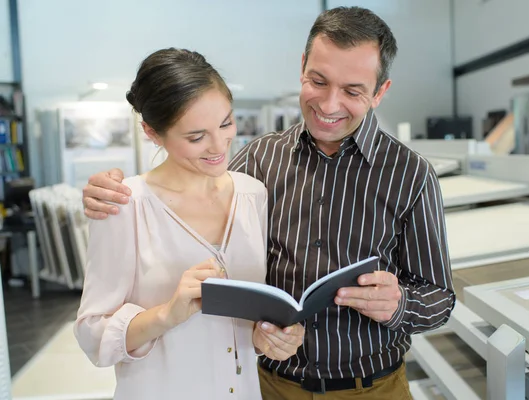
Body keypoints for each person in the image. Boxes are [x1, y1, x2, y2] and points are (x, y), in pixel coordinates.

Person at [82, 7, 455, 399]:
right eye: (318, 81)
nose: (329, 105)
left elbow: (440, 298)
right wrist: (106, 191)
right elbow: (191, 175)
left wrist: (399, 304)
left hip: (373, 387)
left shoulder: (410, 174)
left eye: (352, 91)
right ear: (302, 67)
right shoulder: (257, 163)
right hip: (270, 385)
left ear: (380, 92)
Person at [74, 48, 304, 400]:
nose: (219, 145)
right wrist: (166, 314)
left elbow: (242, 327)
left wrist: (265, 338)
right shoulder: (124, 204)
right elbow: (93, 334)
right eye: (196, 137)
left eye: (226, 123)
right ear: (152, 132)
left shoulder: (252, 194)